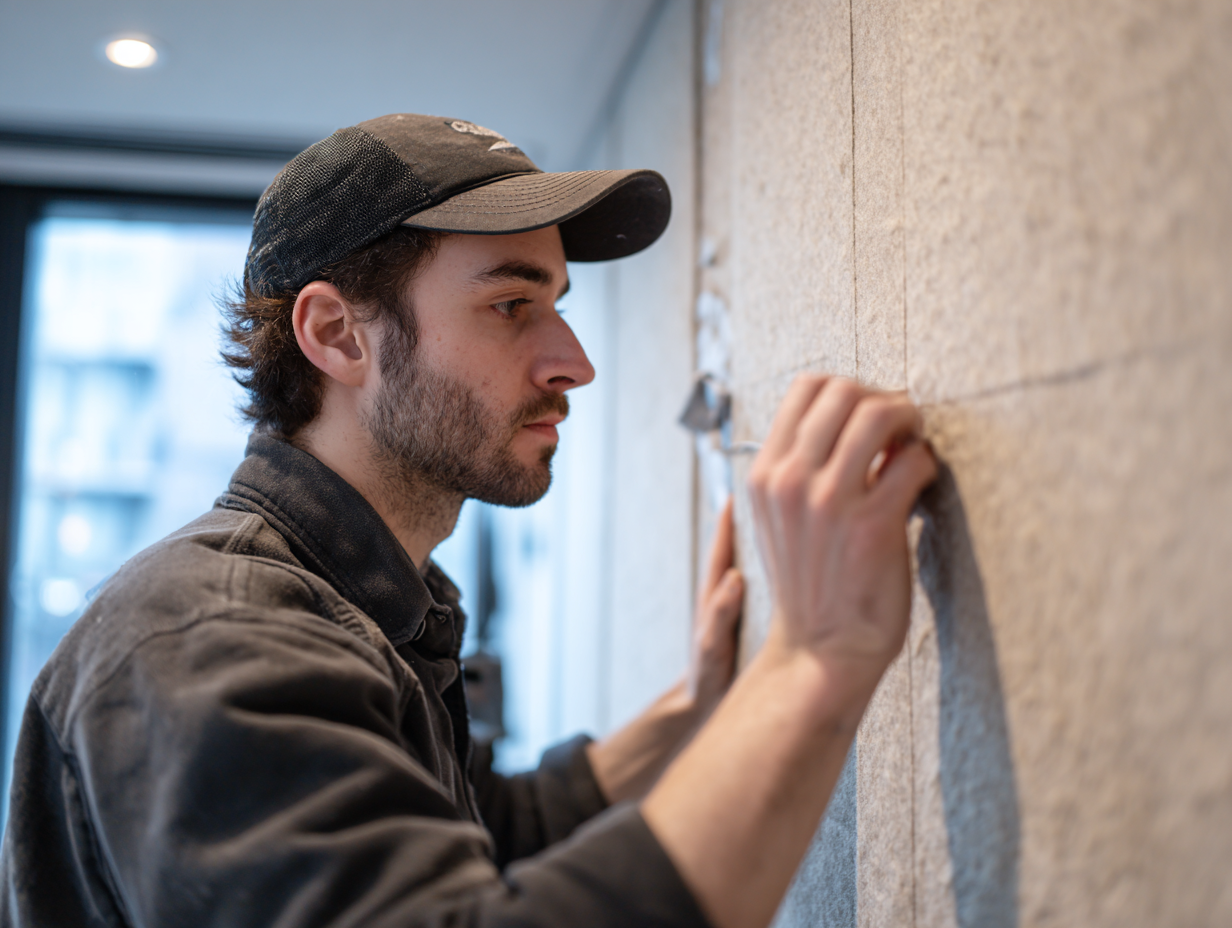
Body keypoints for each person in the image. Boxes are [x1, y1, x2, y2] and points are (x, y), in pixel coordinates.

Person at [0, 114, 936, 928]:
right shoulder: (216, 637)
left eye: (557, 306)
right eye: (511, 304)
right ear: (336, 335)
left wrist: (695, 711)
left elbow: (495, 831)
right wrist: (813, 663)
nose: (573, 362)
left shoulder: (370, 606)